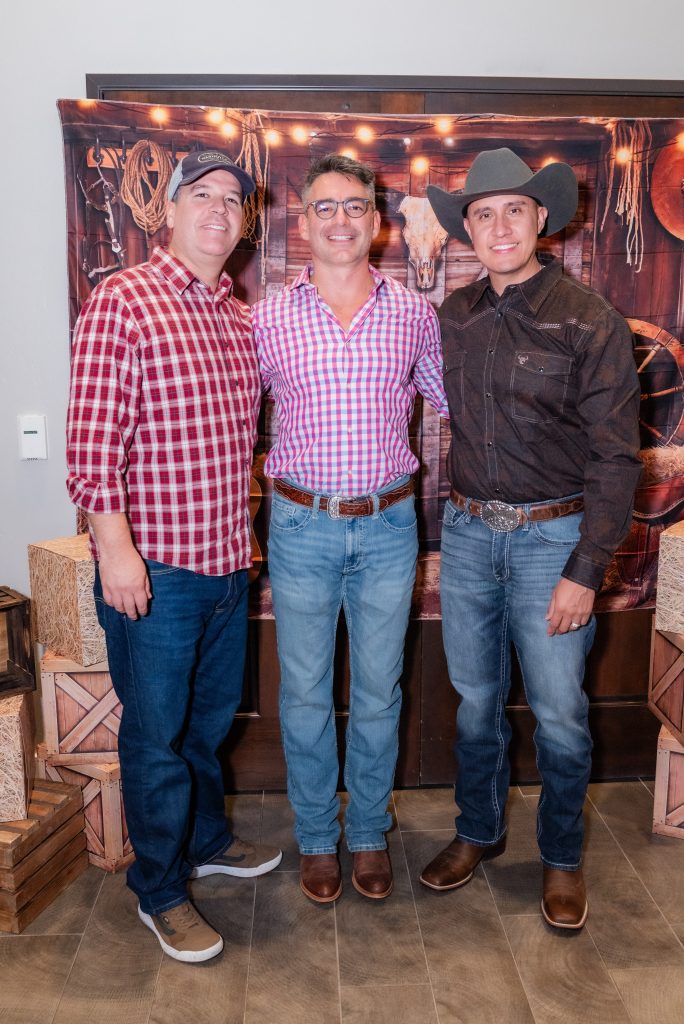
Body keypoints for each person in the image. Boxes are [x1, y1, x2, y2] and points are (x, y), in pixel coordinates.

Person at [66, 148, 282, 963]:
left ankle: (205, 840)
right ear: (169, 209)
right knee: (156, 737)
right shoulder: (124, 299)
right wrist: (115, 552)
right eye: (202, 195)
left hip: (226, 563)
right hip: (155, 570)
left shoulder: (236, 316)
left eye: (233, 199)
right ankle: (159, 890)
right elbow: (93, 446)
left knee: (207, 724)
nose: (219, 210)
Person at [421, 147, 641, 929]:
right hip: (468, 535)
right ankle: (478, 831)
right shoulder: (454, 315)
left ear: (541, 218)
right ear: (468, 231)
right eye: (483, 214)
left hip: (554, 540)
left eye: (514, 209)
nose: (500, 226)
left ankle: (561, 857)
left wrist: (587, 567)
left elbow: (617, 458)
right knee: (476, 703)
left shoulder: (590, 320)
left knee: (559, 713)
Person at [253, 154, 447, 904]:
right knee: (304, 691)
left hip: (389, 525)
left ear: (378, 221)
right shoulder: (268, 318)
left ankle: (366, 831)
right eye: (324, 207)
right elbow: (232, 419)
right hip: (301, 524)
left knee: (378, 688)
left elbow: (457, 403)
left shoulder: (414, 314)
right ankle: (314, 837)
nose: (341, 220)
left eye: (355, 206)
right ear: (303, 222)